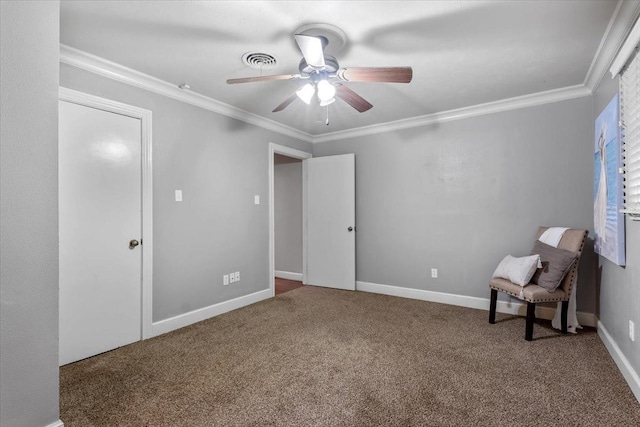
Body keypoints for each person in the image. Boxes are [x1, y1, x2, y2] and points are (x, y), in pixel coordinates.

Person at [594, 122, 608, 246]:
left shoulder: (602, 150)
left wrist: (601, 136)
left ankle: (602, 228)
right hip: (603, 173)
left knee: (602, 197)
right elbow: (600, 144)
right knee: (601, 196)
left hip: (603, 173)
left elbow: (600, 144)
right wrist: (602, 136)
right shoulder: (603, 150)